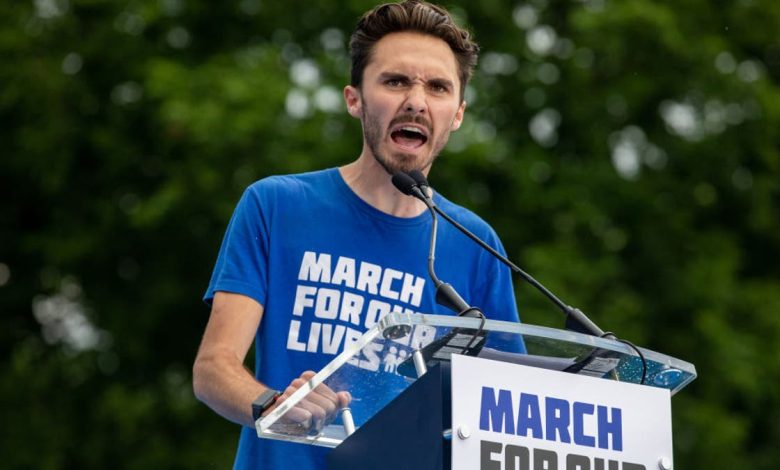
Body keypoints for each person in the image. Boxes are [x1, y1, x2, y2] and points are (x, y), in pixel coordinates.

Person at [192, 1, 522, 468]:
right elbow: (213, 369)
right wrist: (273, 405)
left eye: (437, 87)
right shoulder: (276, 205)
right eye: (395, 81)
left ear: (458, 114)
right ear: (355, 99)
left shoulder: (475, 242)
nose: (416, 100)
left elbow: (505, 414)